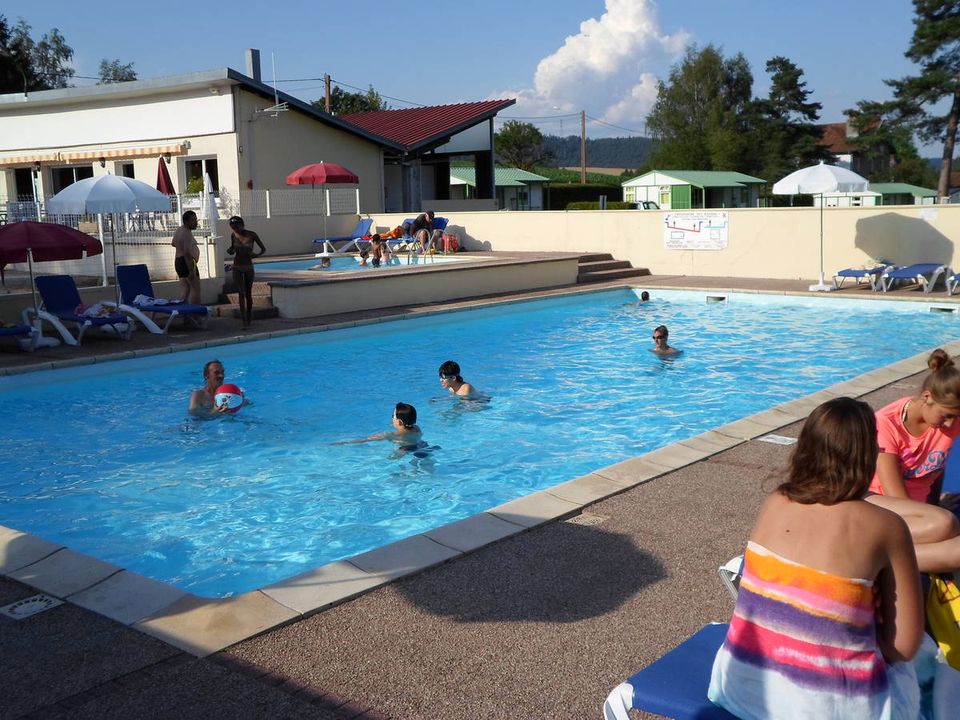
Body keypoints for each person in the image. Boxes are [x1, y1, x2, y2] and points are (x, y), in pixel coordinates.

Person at [708, 397, 923, 719]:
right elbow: (903, 648)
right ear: (868, 456)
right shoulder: (887, 526)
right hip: (826, 706)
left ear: (805, 447)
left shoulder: (776, 501)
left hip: (739, 688)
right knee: (928, 675)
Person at [866, 348, 960, 573]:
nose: (950, 424)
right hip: (881, 507)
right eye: (945, 415)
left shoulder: (950, 420)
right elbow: (895, 495)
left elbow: (937, 471)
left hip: (922, 516)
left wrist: (935, 506)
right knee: (945, 524)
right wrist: (936, 515)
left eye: (955, 417)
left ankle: (883, 557)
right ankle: (871, 549)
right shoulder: (887, 423)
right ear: (927, 396)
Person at [226, 216, 266, 329]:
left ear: (242, 225)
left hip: (248, 266)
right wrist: (231, 250)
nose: (235, 230)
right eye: (233, 228)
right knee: (241, 292)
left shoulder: (252, 235)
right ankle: (244, 320)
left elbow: (263, 249)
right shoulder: (233, 235)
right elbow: (233, 247)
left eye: (237, 227)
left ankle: (249, 317)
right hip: (237, 267)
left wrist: (256, 255)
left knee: (248, 293)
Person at [335, 402, 423, 451]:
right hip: (421, 446)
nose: (392, 419)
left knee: (391, 458)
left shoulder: (391, 435)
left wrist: (346, 442)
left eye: (393, 416)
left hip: (404, 449)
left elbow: (367, 439)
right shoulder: (416, 428)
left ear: (399, 422)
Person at [171, 210, 201, 304]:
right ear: (187, 221)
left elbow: (173, 243)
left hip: (178, 261)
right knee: (195, 289)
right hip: (187, 262)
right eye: (193, 220)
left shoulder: (179, 230)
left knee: (186, 289)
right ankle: (195, 315)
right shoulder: (187, 233)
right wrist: (191, 270)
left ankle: (186, 316)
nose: (196, 222)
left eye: (196, 219)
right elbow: (187, 252)